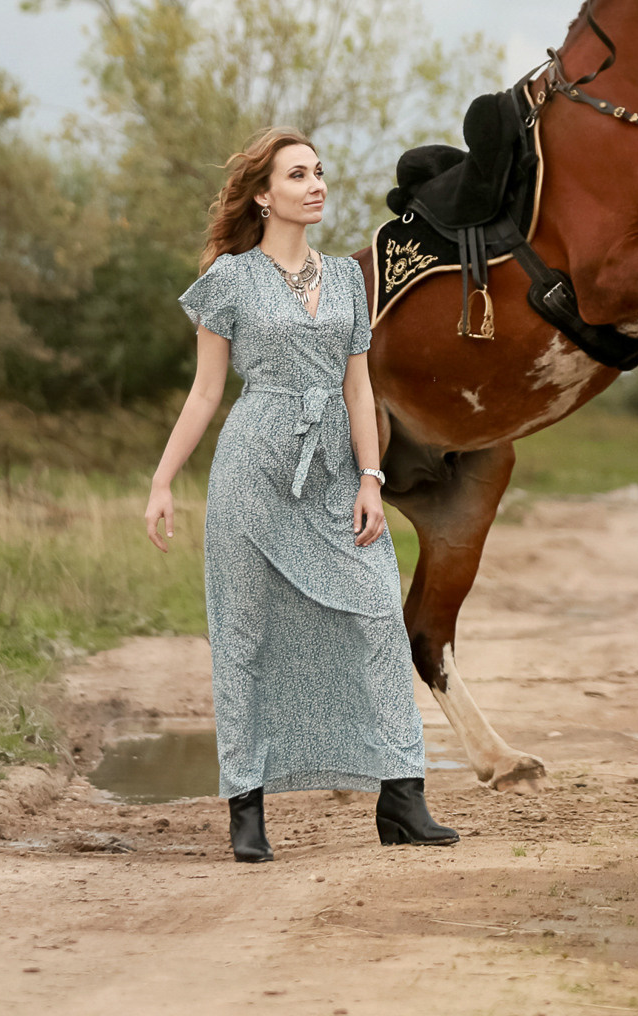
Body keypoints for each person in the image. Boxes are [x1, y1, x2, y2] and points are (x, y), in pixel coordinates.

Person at [144, 127, 459, 863]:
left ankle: (402, 798)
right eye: (297, 175)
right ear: (264, 195)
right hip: (254, 468)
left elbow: (359, 389)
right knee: (246, 635)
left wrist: (372, 478)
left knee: (379, 610)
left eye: (319, 172)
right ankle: (246, 808)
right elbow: (205, 394)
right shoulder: (229, 279)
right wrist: (162, 480)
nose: (316, 184)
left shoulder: (347, 279)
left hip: (334, 473)